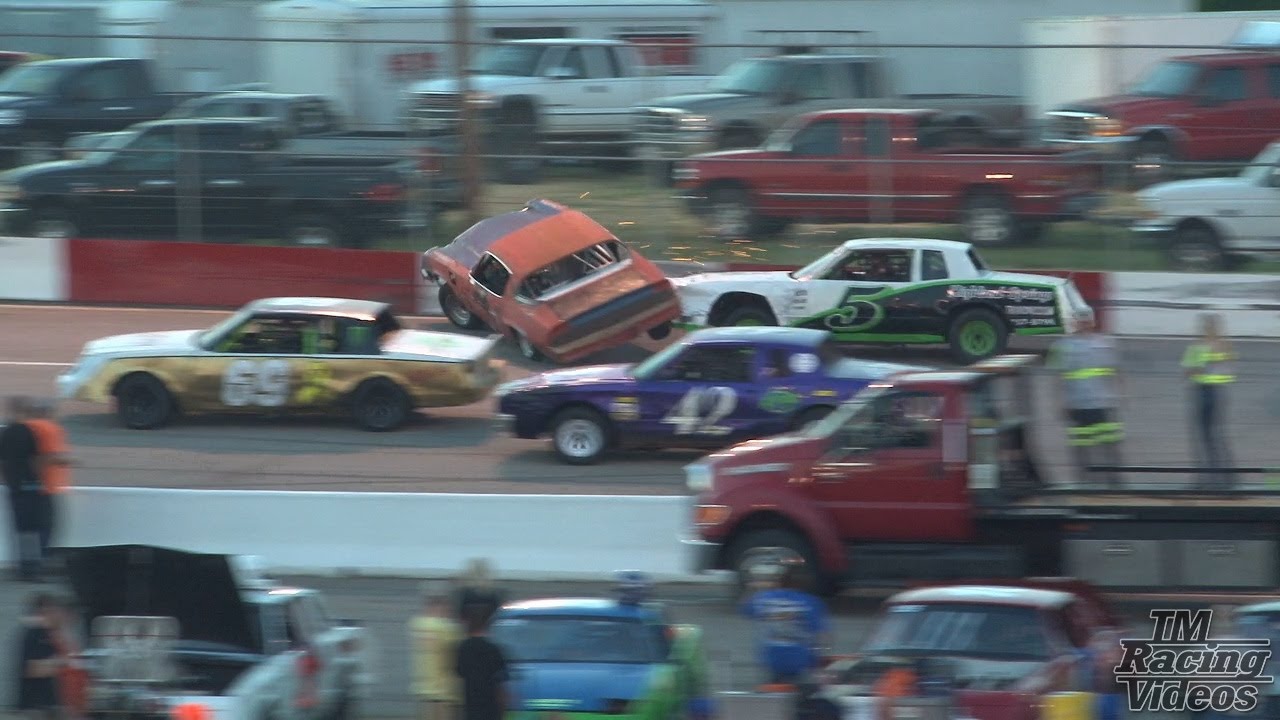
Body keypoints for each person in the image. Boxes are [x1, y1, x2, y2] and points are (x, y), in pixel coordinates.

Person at [1046, 315, 1126, 487]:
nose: (1083, 324)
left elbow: (1116, 372)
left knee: (1108, 444)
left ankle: (1115, 483)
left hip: (1103, 403)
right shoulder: (1063, 347)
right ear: (1074, 323)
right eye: (1080, 320)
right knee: (1081, 445)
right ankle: (1084, 482)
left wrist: (1120, 396)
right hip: (1077, 404)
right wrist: (1059, 402)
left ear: (1092, 322)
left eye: (1086, 320)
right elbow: (1058, 378)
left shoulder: (1105, 344)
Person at [739, 555, 831, 686]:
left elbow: (745, 609)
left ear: (781, 580)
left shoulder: (763, 598)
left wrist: (753, 586)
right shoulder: (811, 602)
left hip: (771, 659)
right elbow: (823, 637)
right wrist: (819, 664)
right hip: (800, 660)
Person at [1182, 314, 1236, 490]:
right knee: (1213, 435)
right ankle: (1222, 477)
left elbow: (1190, 371)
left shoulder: (1200, 346)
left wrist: (1201, 363)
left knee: (1208, 436)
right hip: (1212, 392)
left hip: (1208, 392)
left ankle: (1212, 477)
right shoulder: (1221, 345)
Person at [1, 396, 44, 580]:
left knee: (18, 528)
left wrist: (7, 479)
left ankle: (20, 567)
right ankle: (30, 569)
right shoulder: (29, 431)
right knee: (31, 529)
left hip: (14, 485)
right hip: (29, 485)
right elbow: (36, 459)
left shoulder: (6, 432)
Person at [25, 399, 72, 569]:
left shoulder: (26, 427)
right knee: (47, 528)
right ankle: (41, 562)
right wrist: (68, 460)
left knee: (30, 529)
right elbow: (54, 456)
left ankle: (30, 564)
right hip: (49, 486)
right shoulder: (50, 429)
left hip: (27, 486)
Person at [410, 582, 462, 720]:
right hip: (445, 691)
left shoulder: (417, 625)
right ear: (441, 605)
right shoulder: (448, 629)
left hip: (424, 689)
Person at [12, 592, 63, 719]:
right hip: (36, 706)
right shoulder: (34, 633)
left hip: (48, 705)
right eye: (53, 611)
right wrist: (63, 663)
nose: (57, 615)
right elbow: (32, 669)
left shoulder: (48, 634)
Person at [454, 605, 509, 720]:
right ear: (487, 625)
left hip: (471, 705)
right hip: (491, 705)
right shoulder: (493, 649)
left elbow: (460, 672)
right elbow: (501, 680)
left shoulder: (463, 648)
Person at [455, 559, 504, 630]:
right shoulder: (493, 594)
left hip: (470, 629)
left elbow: (460, 614)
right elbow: (496, 614)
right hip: (488, 629)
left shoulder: (464, 593)